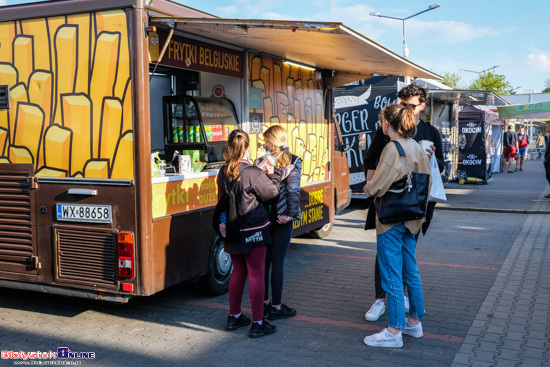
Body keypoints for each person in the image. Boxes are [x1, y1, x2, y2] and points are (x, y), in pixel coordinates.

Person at [362, 83, 442, 322]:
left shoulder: (415, 138)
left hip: (399, 212)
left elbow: (377, 183)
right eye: (402, 105)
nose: (405, 109)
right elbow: (370, 161)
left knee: (392, 269)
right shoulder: (400, 141)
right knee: (406, 265)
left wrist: (370, 188)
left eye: (410, 105)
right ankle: (413, 320)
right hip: (411, 211)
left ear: (422, 106)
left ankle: (395, 328)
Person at [216, 129, 280, 338]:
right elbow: (272, 195)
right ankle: (258, 323)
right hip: (254, 231)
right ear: (249, 148)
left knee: (237, 272)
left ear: (228, 149)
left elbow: (221, 200)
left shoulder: (223, 171)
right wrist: (272, 175)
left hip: (232, 230)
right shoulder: (253, 172)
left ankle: (234, 317)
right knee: (257, 274)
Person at [260, 125, 302, 320]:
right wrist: (292, 214)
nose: (264, 143)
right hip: (283, 218)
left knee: (264, 262)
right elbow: (293, 190)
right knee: (278, 263)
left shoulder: (261, 161)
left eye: (266, 139)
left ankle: (264, 303)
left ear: (272, 141)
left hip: (265, 218)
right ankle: (276, 307)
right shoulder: (294, 161)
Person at [544, 125, 550, 199]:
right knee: (548, 176)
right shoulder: (548, 137)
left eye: (547, 127)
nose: (545, 128)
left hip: (549, 160)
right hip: (547, 160)